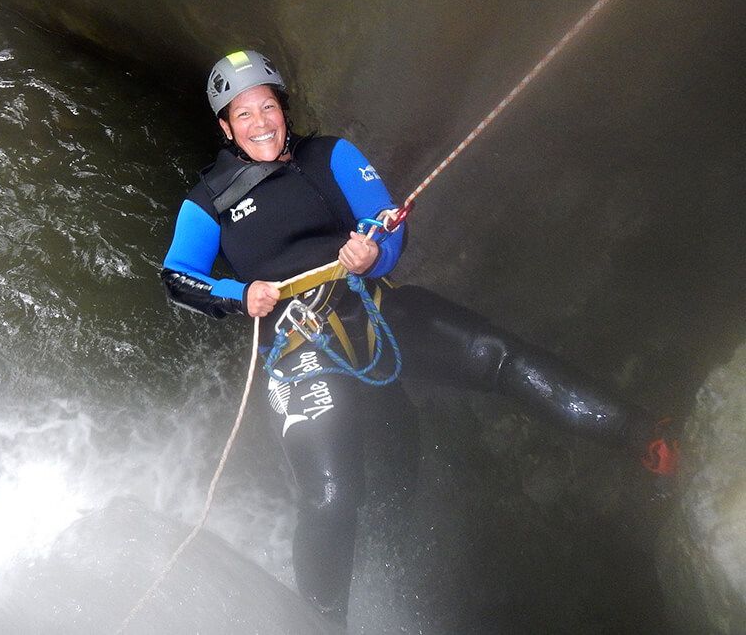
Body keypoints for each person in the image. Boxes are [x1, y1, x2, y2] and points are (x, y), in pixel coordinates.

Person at [160, 50, 677, 624]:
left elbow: (382, 216)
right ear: (226, 128)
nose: (261, 122)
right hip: (300, 353)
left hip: (373, 311)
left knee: (496, 356)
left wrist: (372, 250)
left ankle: (646, 438)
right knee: (333, 496)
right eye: (244, 114)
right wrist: (240, 295)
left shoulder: (331, 155)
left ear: (284, 109)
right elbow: (178, 276)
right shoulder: (209, 200)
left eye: (268, 107)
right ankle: (319, 623)